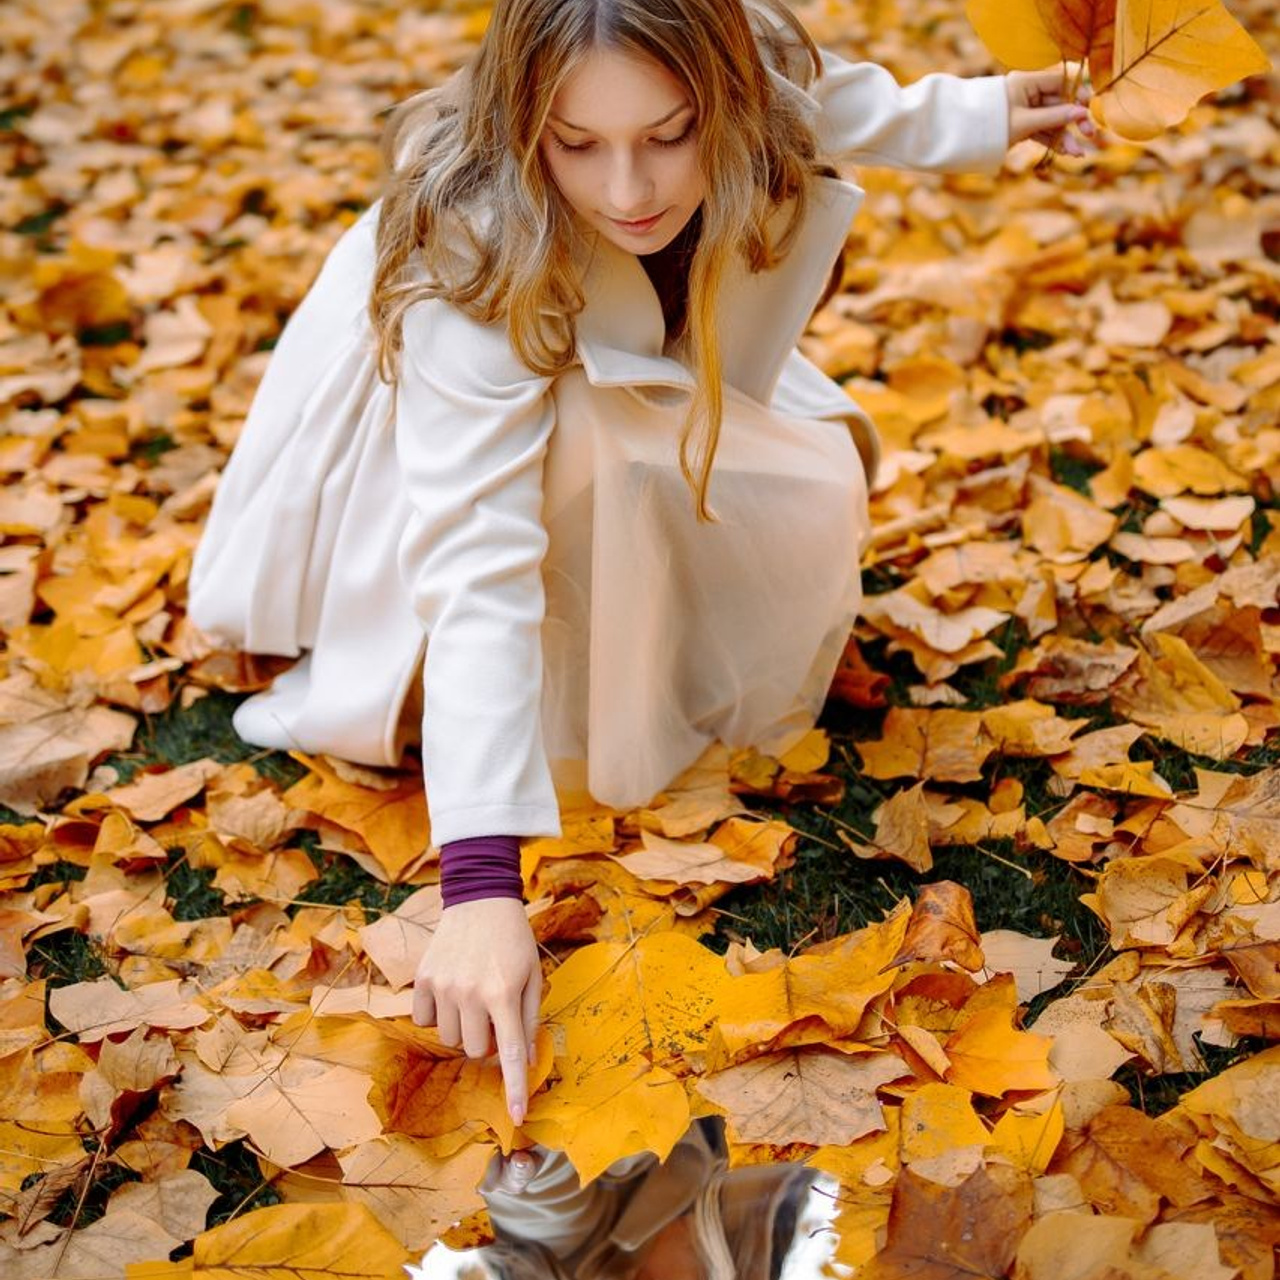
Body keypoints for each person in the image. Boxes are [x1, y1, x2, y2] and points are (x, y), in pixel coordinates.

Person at [187, 0, 1093, 1132]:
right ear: (527, 126)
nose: (628, 190)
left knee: (765, 476)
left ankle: (656, 600)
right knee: (597, 458)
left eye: (670, 134)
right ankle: (567, 690)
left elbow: (825, 103)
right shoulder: (469, 250)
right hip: (460, 429)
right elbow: (477, 565)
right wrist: (480, 885)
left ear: (722, 93)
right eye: (577, 144)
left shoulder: (755, 74)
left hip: (637, 365)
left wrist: (987, 114)